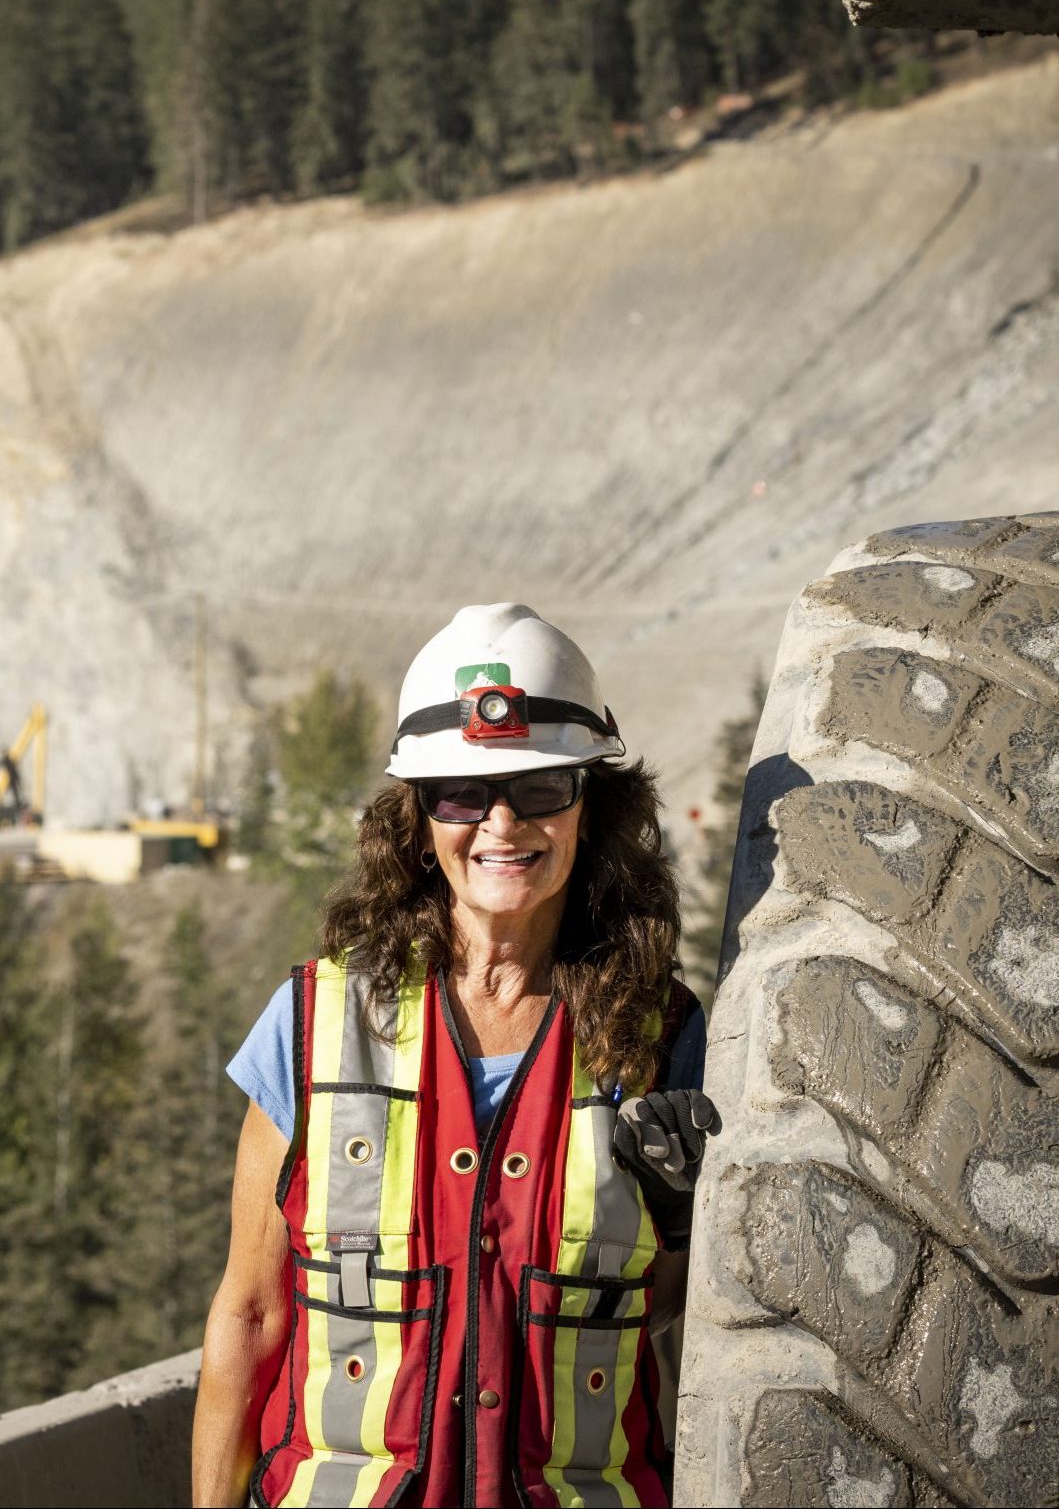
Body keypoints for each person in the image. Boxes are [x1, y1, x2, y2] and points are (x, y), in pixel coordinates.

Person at [193, 603, 717, 1509]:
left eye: (543, 786)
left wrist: (681, 1224)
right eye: (463, 794)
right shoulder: (312, 1023)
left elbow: (655, 1310)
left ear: (590, 805)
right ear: (422, 816)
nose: (502, 824)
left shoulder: (663, 1035)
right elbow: (250, 1311)